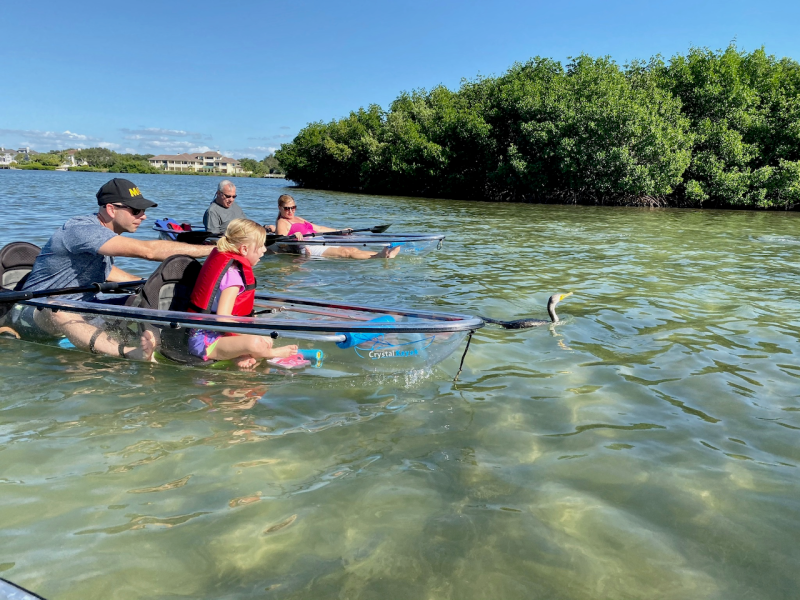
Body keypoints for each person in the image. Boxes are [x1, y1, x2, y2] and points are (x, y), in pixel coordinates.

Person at [10, 178, 216, 361]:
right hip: (32, 311)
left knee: (140, 299)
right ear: (111, 209)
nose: (143, 216)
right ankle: (127, 352)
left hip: (85, 306)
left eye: (144, 210)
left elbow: (107, 272)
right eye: (136, 210)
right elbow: (148, 251)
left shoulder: (105, 235)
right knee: (59, 310)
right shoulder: (82, 229)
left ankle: (184, 342)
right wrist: (216, 249)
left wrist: (145, 285)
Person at [187, 218, 298, 369]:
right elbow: (223, 320)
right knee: (258, 343)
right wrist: (252, 336)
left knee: (263, 340)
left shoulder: (231, 267)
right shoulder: (232, 277)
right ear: (244, 249)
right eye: (260, 246)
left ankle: (239, 357)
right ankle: (271, 354)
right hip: (206, 341)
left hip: (215, 334)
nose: (264, 250)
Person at [274, 194, 400, 259]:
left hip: (320, 241)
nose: (291, 211)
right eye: (287, 208)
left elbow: (319, 229)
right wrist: (292, 236)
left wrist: (340, 231)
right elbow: (281, 243)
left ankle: (382, 255)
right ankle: (381, 257)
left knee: (351, 249)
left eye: (293, 208)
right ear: (280, 208)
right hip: (309, 247)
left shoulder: (298, 218)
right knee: (347, 252)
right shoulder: (282, 222)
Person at [203, 180, 276, 236]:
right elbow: (214, 238)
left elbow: (247, 225)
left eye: (234, 196)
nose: (231, 199)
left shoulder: (235, 206)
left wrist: (264, 228)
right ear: (218, 194)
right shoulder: (212, 211)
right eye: (228, 196)